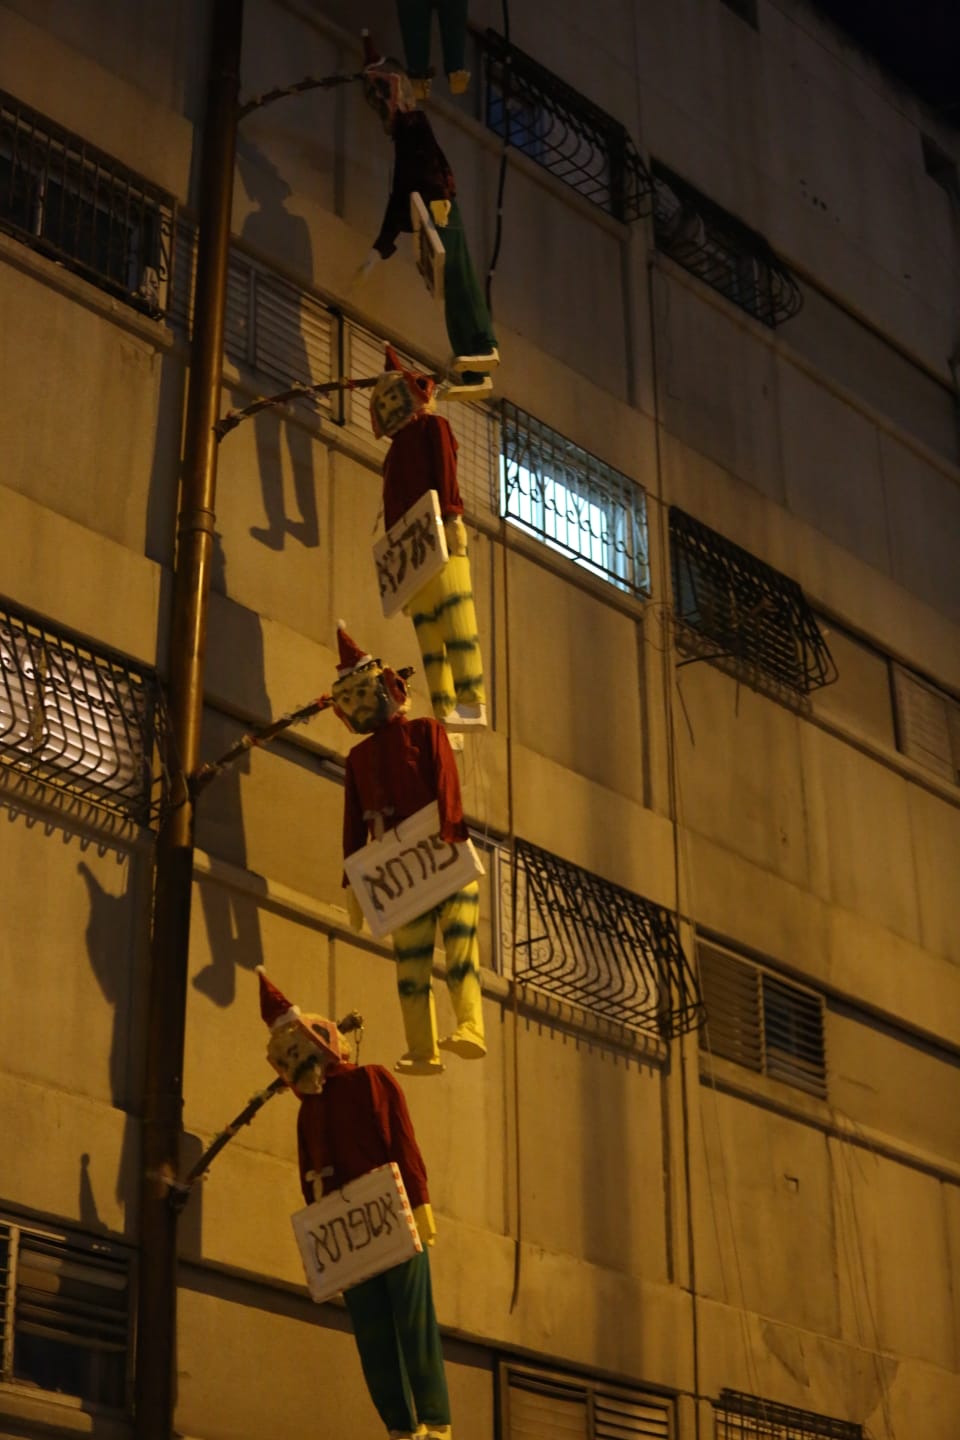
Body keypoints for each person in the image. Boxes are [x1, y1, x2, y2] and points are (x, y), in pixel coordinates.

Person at [257, 967, 453, 1440]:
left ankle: (434, 1419)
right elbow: (309, 1175)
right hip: (352, 1227)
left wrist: (419, 1202)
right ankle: (403, 1426)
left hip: (387, 1210)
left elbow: (401, 1141)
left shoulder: (371, 1080)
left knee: (409, 1318)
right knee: (374, 1332)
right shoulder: (310, 1113)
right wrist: (322, 1233)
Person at [332, 623, 486, 1073]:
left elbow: (446, 781)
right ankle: (422, 1047)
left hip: (439, 850)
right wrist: (353, 883)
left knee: (461, 945)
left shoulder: (424, 731)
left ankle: (470, 1025)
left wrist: (452, 831)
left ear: (386, 688)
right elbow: (351, 824)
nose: (359, 705)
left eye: (363, 693)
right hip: (403, 864)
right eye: (349, 699)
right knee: (411, 962)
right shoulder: (358, 760)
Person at [361, 35, 498, 389]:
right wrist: (381, 246)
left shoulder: (413, 125)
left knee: (459, 277)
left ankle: (483, 345)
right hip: (431, 208)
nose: (380, 108)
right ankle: (472, 365)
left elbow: (402, 190)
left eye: (381, 100)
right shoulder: (406, 135)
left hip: (438, 206)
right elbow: (400, 194)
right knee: (450, 286)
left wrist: (383, 244)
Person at [371, 344, 486, 726]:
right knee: (456, 616)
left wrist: (397, 574)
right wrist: (453, 517)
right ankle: (469, 700)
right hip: (436, 535)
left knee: (431, 634)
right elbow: (446, 473)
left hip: (411, 551)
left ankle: (447, 709)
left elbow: (392, 511)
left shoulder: (393, 456)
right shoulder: (433, 427)